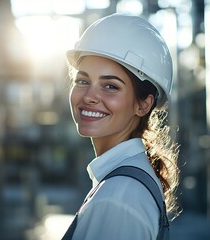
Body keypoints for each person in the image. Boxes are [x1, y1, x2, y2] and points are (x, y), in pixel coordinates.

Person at [63, 13, 180, 240]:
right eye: (83, 81)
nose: (89, 96)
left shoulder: (117, 198)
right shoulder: (123, 185)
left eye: (110, 86)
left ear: (143, 105)